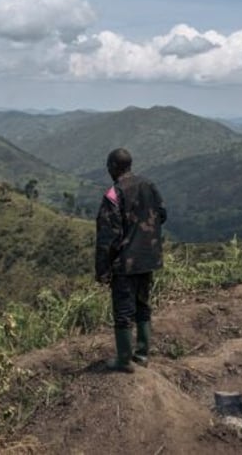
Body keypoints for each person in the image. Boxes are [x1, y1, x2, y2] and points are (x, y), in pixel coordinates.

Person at [95, 148, 167, 372]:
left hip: (125, 264)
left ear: (114, 167)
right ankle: (142, 354)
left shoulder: (114, 194)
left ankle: (124, 360)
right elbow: (162, 214)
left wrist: (103, 270)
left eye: (109, 166)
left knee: (123, 312)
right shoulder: (149, 186)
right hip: (147, 259)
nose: (108, 170)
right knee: (143, 306)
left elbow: (108, 236)